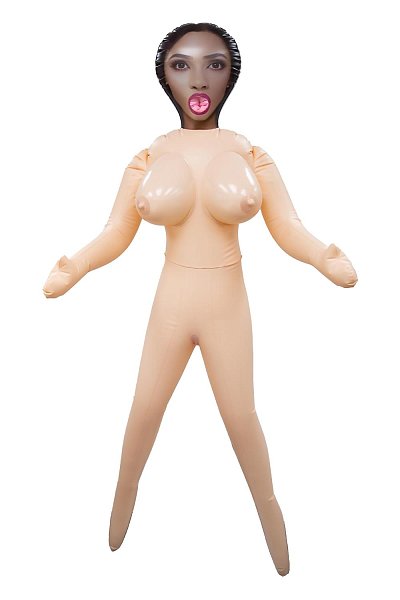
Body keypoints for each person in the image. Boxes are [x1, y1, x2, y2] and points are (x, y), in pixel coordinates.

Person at [42, 22, 358, 577]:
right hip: (171, 301)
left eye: (213, 64)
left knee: (240, 418)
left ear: (231, 74)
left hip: (226, 306)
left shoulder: (248, 153)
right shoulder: (150, 155)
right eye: (181, 64)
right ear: (164, 76)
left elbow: (286, 226)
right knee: (143, 411)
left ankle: (272, 521)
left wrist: (323, 256)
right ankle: (121, 506)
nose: (198, 78)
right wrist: (76, 266)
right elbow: (116, 231)